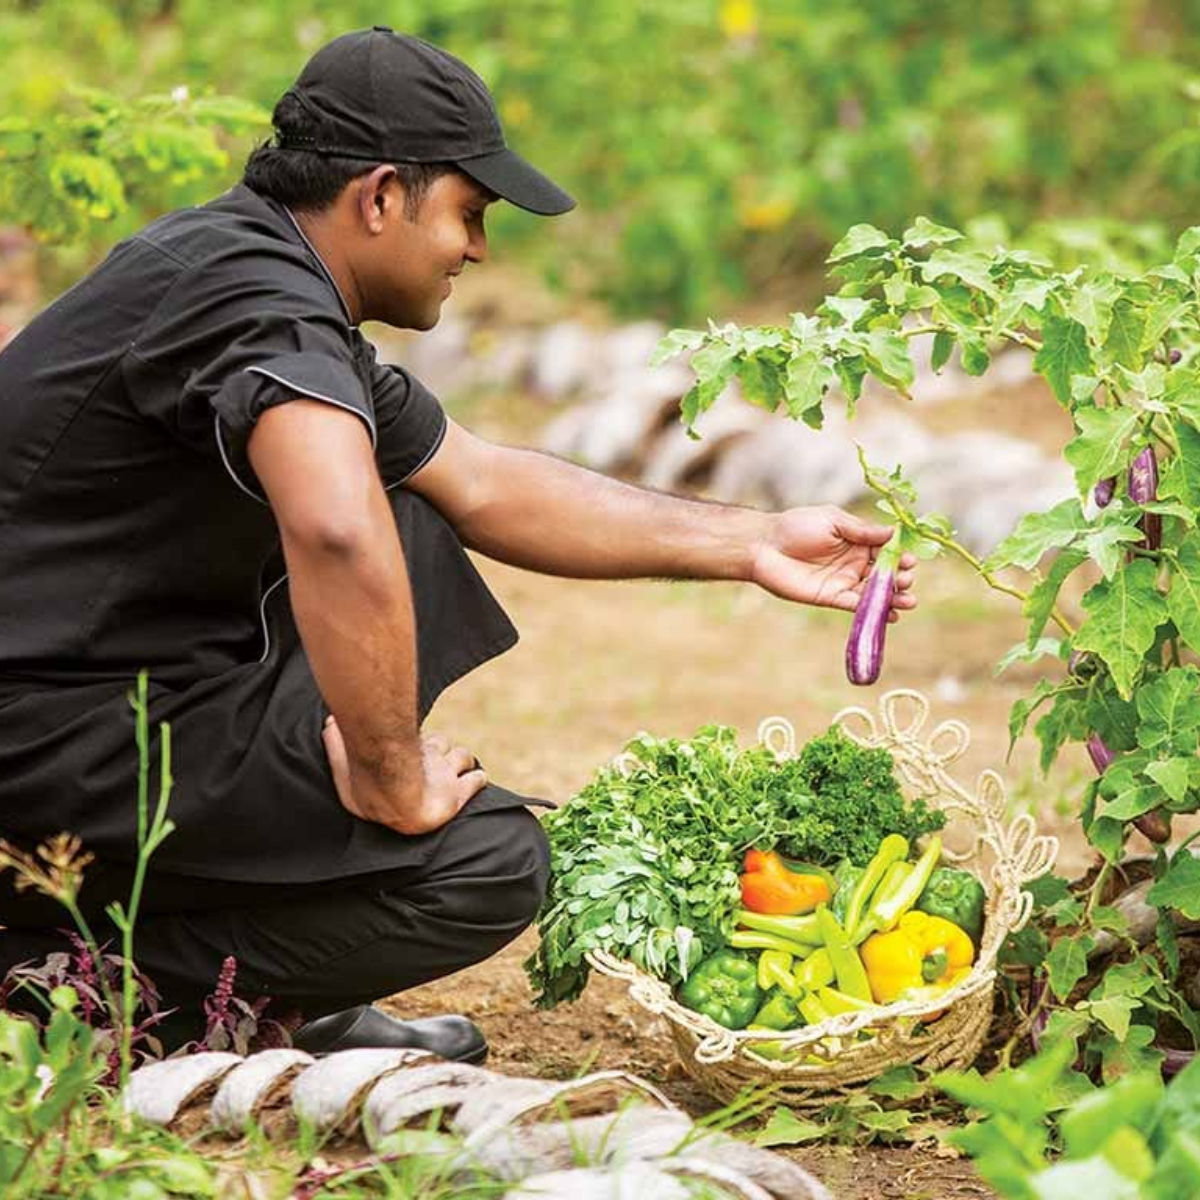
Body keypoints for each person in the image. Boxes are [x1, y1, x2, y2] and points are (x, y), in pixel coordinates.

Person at [0, 27, 916, 1059]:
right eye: (469, 214)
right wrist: (390, 772)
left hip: (100, 707)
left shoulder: (245, 277)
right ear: (382, 196)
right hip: (44, 742)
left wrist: (752, 541)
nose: (477, 249)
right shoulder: (258, 307)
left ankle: (259, 973)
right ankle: (74, 982)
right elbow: (338, 532)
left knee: (417, 510)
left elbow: (483, 483)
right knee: (485, 862)